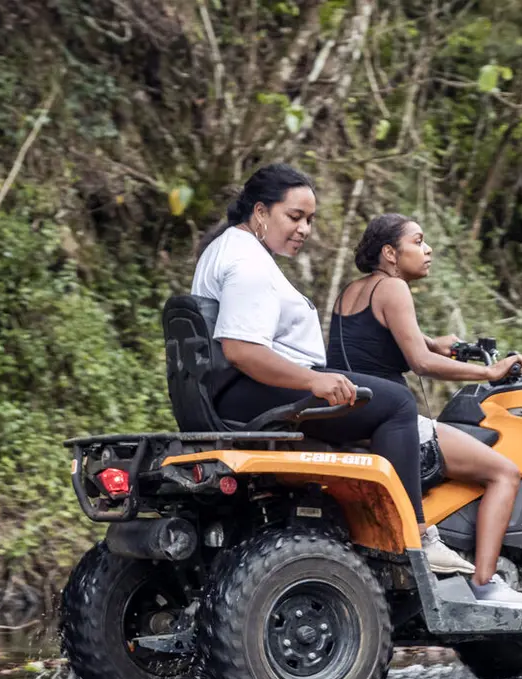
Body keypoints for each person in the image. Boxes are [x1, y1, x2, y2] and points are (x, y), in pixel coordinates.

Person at [190, 165, 464, 574]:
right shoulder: (248, 263)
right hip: (251, 385)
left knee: (375, 397)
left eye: (310, 221)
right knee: (398, 404)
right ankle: (415, 538)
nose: (304, 230)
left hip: (233, 390)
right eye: (295, 217)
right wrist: (313, 379)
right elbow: (243, 350)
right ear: (261, 212)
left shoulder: (228, 249)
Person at [330, 213, 522, 609]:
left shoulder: (352, 291)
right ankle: (485, 583)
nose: (427, 249)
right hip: (394, 420)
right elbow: (420, 362)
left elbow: (395, 338)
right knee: (504, 472)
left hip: (356, 417)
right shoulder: (394, 288)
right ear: (391, 253)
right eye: (419, 241)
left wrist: (439, 341)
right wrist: (488, 371)